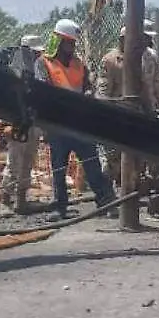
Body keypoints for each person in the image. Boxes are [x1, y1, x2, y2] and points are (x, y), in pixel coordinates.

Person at [36, 19, 117, 220]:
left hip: (80, 124)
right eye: (68, 43)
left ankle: (106, 201)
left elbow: (88, 85)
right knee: (58, 169)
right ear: (59, 41)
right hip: (58, 125)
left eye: (73, 43)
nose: (71, 47)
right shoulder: (43, 63)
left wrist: (89, 93)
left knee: (92, 165)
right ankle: (59, 207)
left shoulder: (79, 64)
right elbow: (42, 91)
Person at [0, 34, 45, 217]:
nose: (36, 56)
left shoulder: (36, 71)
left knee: (27, 163)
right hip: (17, 123)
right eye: (34, 53)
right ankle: (5, 200)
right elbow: (7, 101)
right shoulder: (13, 72)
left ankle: (21, 200)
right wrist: (7, 123)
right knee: (14, 164)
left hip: (32, 122)